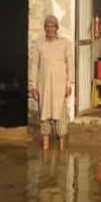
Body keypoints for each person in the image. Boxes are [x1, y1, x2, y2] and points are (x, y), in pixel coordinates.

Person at [29, 15, 74, 151]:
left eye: (52, 26)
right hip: (44, 88)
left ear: (57, 28)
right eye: (47, 26)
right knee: (45, 118)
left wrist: (69, 84)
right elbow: (34, 66)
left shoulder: (65, 44)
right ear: (44, 28)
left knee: (60, 118)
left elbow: (70, 66)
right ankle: (45, 148)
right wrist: (33, 86)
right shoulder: (39, 44)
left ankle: (61, 149)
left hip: (60, 88)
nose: (50, 29)